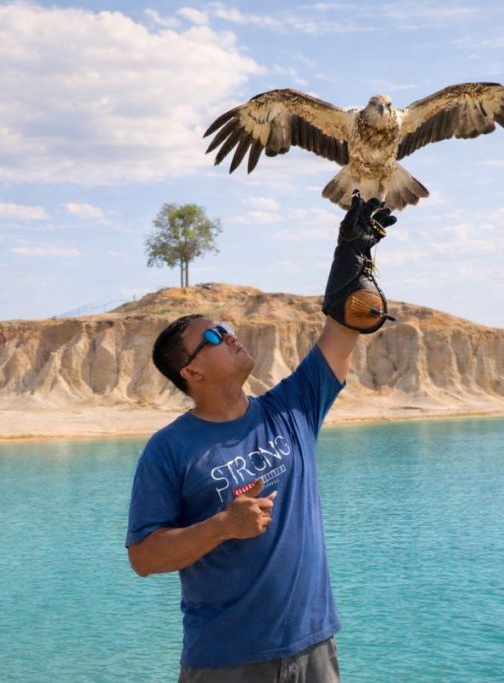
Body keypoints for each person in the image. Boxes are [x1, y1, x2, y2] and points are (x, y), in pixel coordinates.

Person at [126, 193, 396, 682]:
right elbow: (144, 558)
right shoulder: (169, 449)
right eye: (212, 338)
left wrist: (349, 250)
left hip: (314, 645)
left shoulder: (292, 407)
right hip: (227, 660)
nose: (228, 335)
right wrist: (221, 526)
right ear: (191, 372)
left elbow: (342, 327)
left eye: (225, 327)